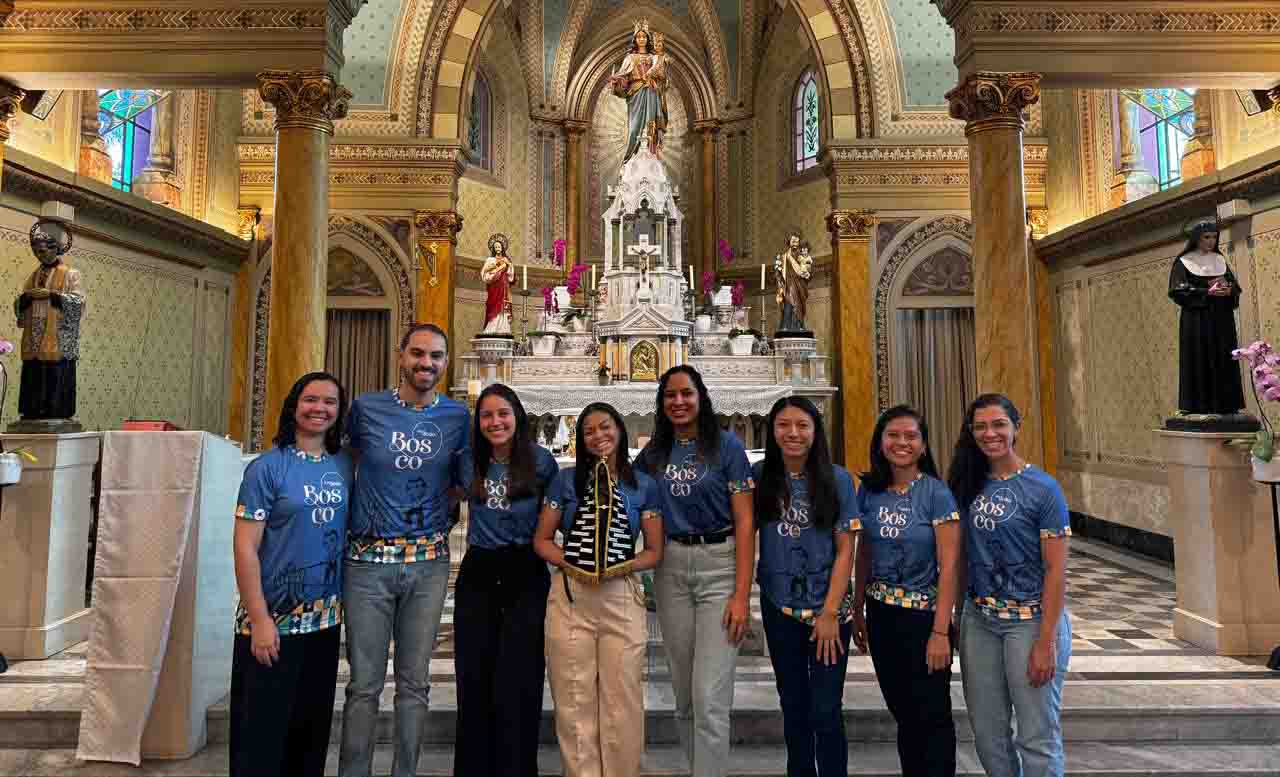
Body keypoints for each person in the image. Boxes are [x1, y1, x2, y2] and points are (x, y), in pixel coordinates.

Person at [340, 323, 471, 777]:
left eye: (436, 356)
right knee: (363, 686)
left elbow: (464, 480)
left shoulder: (457, 417)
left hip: (427, 565)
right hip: (367, 564)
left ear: (446, 362)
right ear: (401, 356)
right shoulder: (366, 408)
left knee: (415, 685)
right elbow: (344, 465)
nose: (426, 363)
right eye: (417, 353)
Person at [230, 372, 352, 777]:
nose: (320, 408)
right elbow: (245, 547)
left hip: (324, 621)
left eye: (330, 402)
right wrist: (260, 619)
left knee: (309, 735)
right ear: (294, 405)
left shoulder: (342, 465)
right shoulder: (266, 468)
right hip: (273, 621)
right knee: (262, 737)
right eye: (311, 399)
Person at [533, 402, 665, 777]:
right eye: (588, 431)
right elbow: (542, 540)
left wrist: (621, 565)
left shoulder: (643, 485)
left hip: (621, 594)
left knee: (622, 697)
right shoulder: (565, 481)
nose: (598, 436)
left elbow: (654, 551)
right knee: (574, 697)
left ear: (619, 429)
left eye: (605, 427)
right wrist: (572, 562)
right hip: (571, 595)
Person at [636, 365, 755, 777]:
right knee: (685, 695)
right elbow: (625, 498)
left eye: (686, 393)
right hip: (670, 568)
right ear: (661, 402)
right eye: (670, 395)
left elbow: (745, 522)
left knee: (709, 696)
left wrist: (742, 595)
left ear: (701, 397)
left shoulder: (726, 447)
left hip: (719, 565)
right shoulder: (653, 453)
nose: (679, 401)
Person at [948, 394, 1071, 777]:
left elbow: (1056, 570)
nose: (990, 433)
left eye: (999, 424)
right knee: (988, 735)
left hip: (1030, 622)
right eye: (981, 427)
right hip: (980, 620)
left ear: (1016, 427)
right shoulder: (966, 484)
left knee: (1036, 734)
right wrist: (957, 616)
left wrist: (1046, 641)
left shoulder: (1043, 489)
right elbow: (961, 559)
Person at [453, 384, 559, 777]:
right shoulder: (466, 460)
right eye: (486, 415)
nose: (495, 422)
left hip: (525, 571)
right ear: (477, 422)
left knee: (520, 678)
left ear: (517, 417)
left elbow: (556, 516)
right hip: (479, 569)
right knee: (474, 676)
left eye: (503, 413)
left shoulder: (541, 461)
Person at [752, 396, 860, 777]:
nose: (793, 433)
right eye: (784, 425)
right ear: (772, 431)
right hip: (779, 606)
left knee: (826, 709)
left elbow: (845, 550)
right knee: (793, 705)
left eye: (802, 425)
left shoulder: (838, 479)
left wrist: (829, 613)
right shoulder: (760, 475)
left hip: (828, 610)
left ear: (816, 431)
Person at [853, 405, 960, 777]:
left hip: (923, 619)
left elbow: (950, 567)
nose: (902, 442)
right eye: (893, 435)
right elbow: (864, 552)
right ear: (880, 442)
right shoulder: (868, 491)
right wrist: (857, 608)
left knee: (932, 715)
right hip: (881, 615)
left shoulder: (936, 494)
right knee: (903, 713)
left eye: (911, 436)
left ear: (924, 445)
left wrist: (941, 632)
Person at [1169, 220, 1245, 416]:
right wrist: (1206, 292)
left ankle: (1227, 405)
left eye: (1214, 237)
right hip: (1197, 320)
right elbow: (1177, 290)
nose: (1211, 241)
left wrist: (1229, 290)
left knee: (1224, 358)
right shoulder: (1183, 262)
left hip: (1222, 320)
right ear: (1197, 238)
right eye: (1206, 237)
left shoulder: (1219, 259)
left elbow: (1235, 288)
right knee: (1199, 358)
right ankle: (1198, 406)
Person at [609, 17, 668, 162]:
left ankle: (651, 156)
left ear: (648, 40)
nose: (641, 39)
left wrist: (659, 74)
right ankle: (629, 159)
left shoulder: (654, 57)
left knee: (651, 125)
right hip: (636, 94)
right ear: (635, 40)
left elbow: (663, 78)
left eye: (644, 37)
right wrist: (617, 81)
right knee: (634, 128)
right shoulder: (630, 58)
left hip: (652, 92)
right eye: (639, 37)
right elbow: (623, 78)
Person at [480, 234, 515, 336]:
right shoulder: (490, 260)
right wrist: (493, 272)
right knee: (494, 307)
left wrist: (509, 265)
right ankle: (492, 328)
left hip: (504, 287)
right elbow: (484, 273)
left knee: (503, 307)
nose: (498, 249)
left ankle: (503, 329)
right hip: (494, 288)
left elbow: (510, 275)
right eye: (496, 247)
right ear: (493, 249)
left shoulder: (506, 260)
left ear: (502, 248)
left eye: (499, 247)